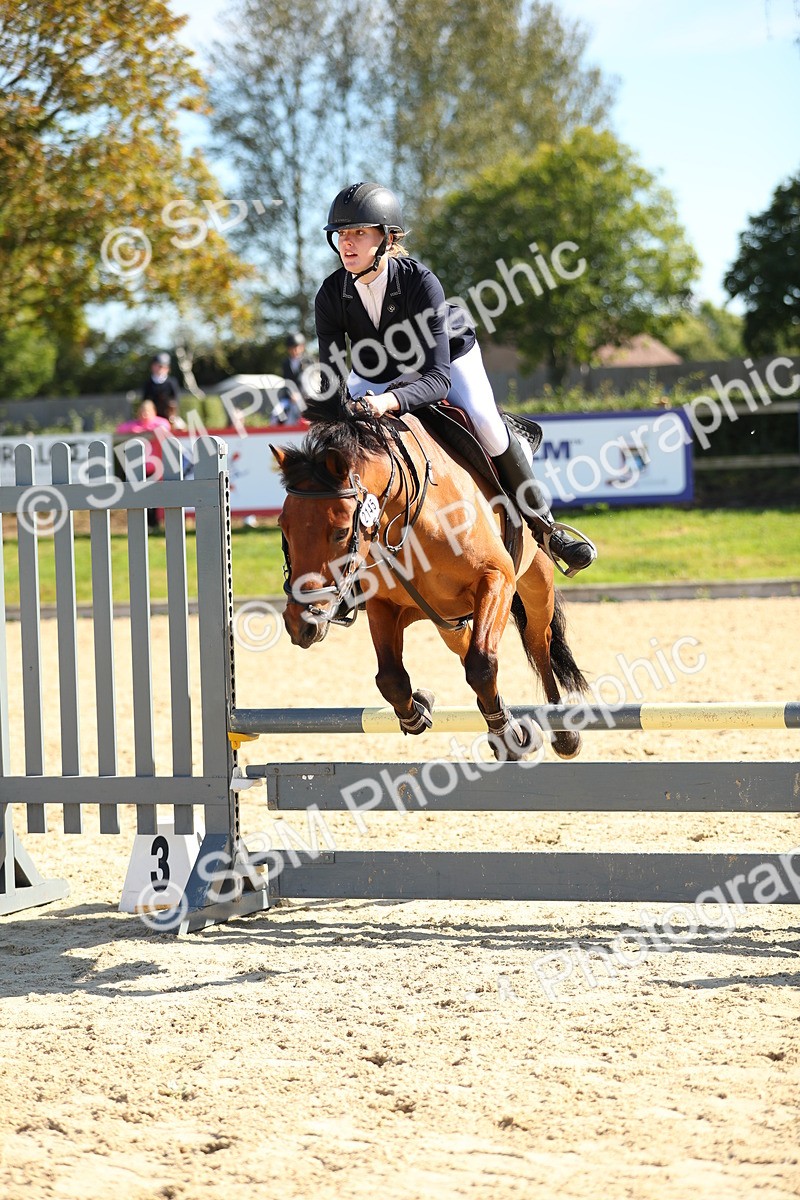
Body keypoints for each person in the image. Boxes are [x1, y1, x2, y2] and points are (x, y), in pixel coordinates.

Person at [314, 182, 596, 575]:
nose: (348, 243)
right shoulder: (330, 295)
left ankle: (546, 528)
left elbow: (437, 380)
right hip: (378, 371)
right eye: (342, 234)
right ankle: (342, 568)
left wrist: (385, 402)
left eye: (360, 232)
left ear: (388, 238)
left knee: (484, 422)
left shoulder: (420, 282)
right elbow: (330, 378)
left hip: (445, 359)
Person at [115, 400, 172, 529]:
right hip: (137, 468)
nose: (144, 415)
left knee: (155, 496)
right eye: (142, 412)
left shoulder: (160, 423)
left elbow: (164, 429)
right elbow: (120, 430)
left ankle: (154, 523)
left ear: (154, 412)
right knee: (139, 497)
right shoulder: (133, 425)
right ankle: (142, 524)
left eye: (147, 411)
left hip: (155, 467)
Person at [278, 331, 314, 423]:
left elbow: (309, 382)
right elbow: (286, 381)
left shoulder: (308, 361)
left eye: (296, 347)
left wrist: (300, 395)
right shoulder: (286, 363)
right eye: (291, 348)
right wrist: (291, 395)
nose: (294, 351)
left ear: (302, 347)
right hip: (290, 397)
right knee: (277, 412)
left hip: (305, 396)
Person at [143, 352, 183, 424]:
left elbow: (176, 398)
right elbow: (145, 400)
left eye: (161, 366)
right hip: (154, 416)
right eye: (157, 366)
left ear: (167, 368)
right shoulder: (148, 383)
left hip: (169, 415)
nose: (159, 369)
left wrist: (173, 412)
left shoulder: (171, 382)